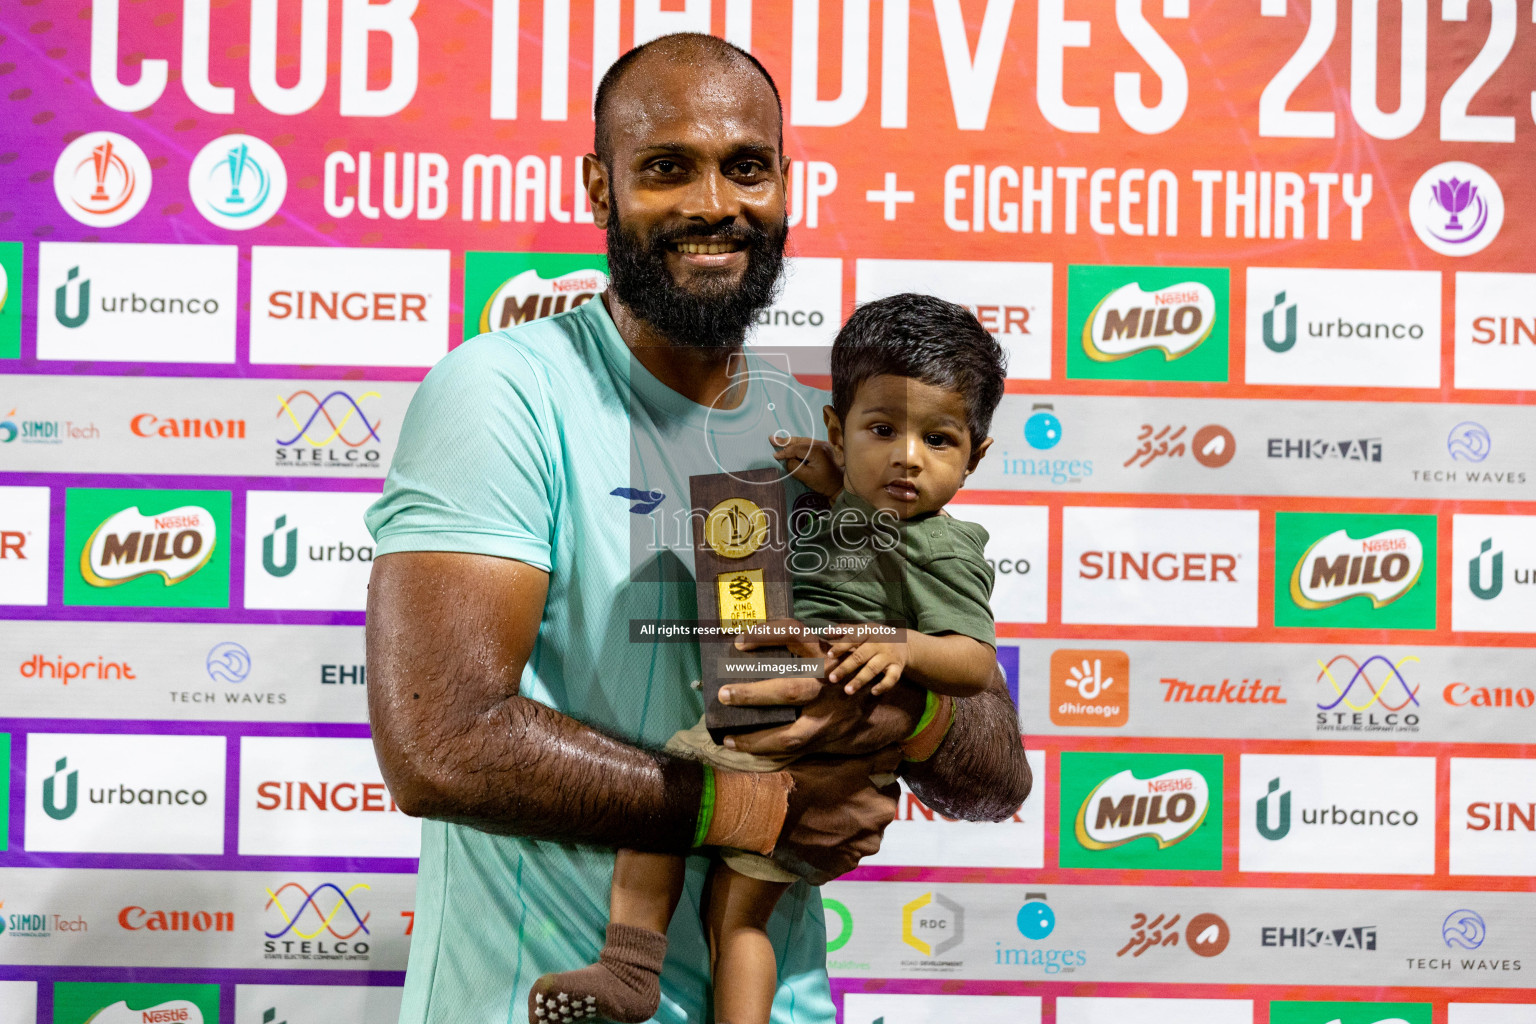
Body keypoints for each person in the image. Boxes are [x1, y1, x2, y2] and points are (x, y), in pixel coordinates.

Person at [364, 32, 1031, 1024]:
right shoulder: (502, 393)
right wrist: (755, 805)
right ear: (601, 191)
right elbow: (443, 744)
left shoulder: (828, 431)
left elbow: (995, 770)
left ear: (785, 188)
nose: (715, 204)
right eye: (667, 167)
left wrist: (901, 715)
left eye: (747, 167)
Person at [531, 293, 1008, 1024]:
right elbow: (855, 515)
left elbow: (974, 663)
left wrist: (900, 649)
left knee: (660, 813)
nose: (907, 457)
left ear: (974, 458)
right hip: (772, 715)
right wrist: (826, 473)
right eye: (883, 430)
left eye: (938, 441)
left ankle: (629, 965)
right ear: (840, 434)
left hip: (796, 736)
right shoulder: (865, 503)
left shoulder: (942, 546)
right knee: (739, 918)